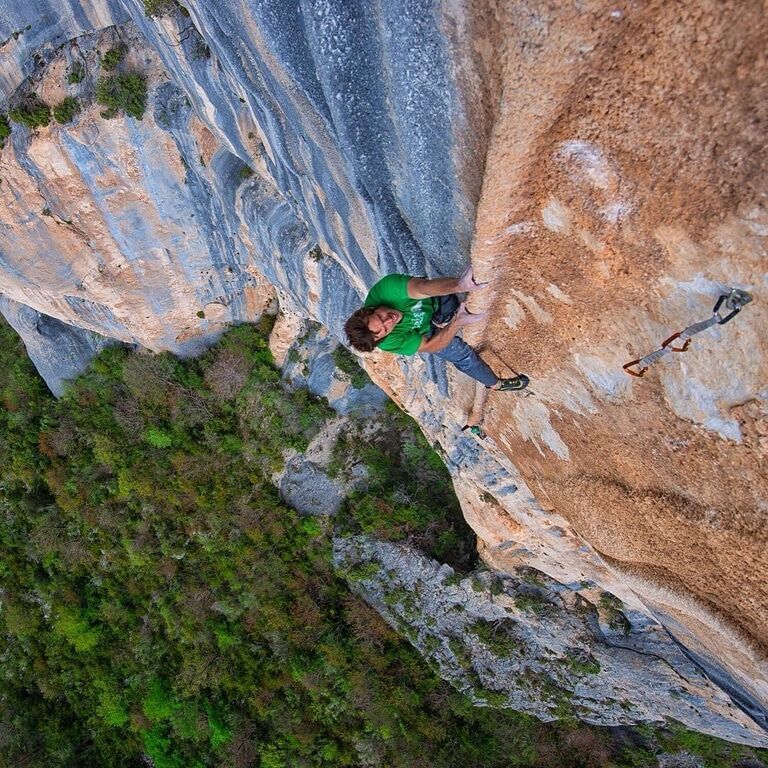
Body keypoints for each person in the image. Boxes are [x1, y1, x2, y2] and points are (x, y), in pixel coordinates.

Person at [344, 268, 529, 390]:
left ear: (371, 309)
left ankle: (446, 317)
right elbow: (431, 346)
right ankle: (496, 384)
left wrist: (458, 285)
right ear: (382, 338)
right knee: (462, 354)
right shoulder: (389, 342)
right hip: (423, 331)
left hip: (433, 302)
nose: (389, 320)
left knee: (450, 294)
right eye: (385, 329)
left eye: (380, 316)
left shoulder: (387, 290)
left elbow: (423, 288)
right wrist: (457, 323)